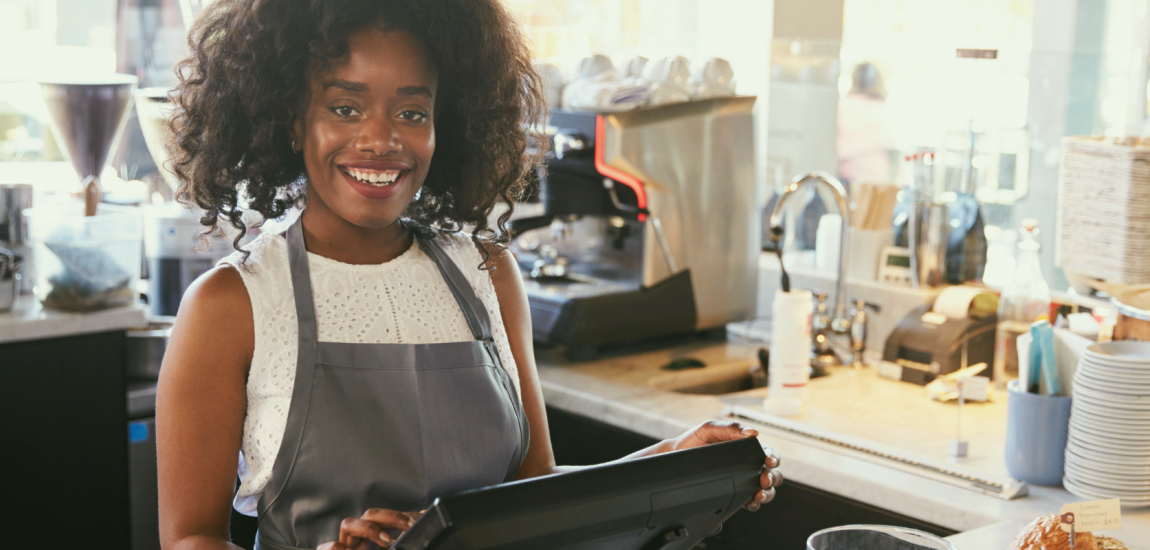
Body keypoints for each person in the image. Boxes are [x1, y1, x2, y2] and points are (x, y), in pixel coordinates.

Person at [156, 1, 783, 549]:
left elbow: (534, 494)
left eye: (412, 113)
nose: (381, 140)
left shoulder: (488, 275)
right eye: (345, 108)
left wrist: (670, 462)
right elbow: (189, 538)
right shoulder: (230, 304)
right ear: (290, 120)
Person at [837, 62, 896, 185]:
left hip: (852, 179)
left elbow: (835, 149)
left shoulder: (844, 107)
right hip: (880, 183)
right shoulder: (884, 110)